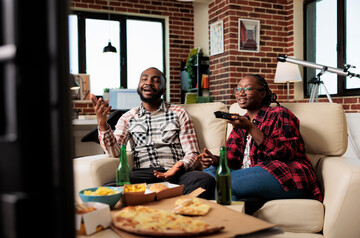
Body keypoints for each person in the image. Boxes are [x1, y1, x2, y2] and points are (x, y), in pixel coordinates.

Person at [90, 67, 215, 199]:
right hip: (142, 175)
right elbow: (115, 153)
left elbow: (192, 153)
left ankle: (172, 208)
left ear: (163, 89)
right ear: (139, 86)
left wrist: (180, 165)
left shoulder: (179, 113)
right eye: (144, 79)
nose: (148, 82)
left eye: (155, 80)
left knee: (205, 181)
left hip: (175, 173)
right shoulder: (128, 117)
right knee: (106, 191)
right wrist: (103, 125)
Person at [196, 74, 323, 202]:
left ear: (262, 94)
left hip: (285, 175)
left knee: (225, 182)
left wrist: (251, 128)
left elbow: (286, 153)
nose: (241, 93)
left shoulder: (279, 113)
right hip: (252, 175)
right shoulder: (241, 121)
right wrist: (215, 160)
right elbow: (232, 160)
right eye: (238, 89)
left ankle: (228, 220)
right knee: (209, 173)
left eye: (248, 89)